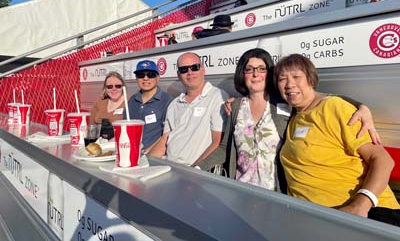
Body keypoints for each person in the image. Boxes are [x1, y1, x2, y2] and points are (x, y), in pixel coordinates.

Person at [198, 49, 380, 191]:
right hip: (242, 189)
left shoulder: (285, 102)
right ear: (242, 74)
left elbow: (316, 97)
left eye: (262, 69)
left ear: (270, 74)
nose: (255, 74)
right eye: (249, 69)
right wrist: (197, 169)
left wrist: (361, 106)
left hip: (276, 192)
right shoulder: (235, 106)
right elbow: (224, 147)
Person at [275, 54, 400, 225]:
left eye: (296, 77)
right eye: (282, 79)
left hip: (365, 217)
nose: (289, 84)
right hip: (321, 220)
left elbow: (383, 160)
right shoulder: (294, 118)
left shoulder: (334, 107)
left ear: (311, 79)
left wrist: (360, 205)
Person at [149, 52, 228, 165]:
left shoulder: (217, 97)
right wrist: (146, 163)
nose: (190, 72)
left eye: (194, 67)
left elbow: (217, 142)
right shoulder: (174, 104)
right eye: (184, 69)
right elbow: (164, 141)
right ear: (178, 74)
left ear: (203, 69)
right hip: (169, 166)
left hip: (195, 172)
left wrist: (195, 169)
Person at [124, 60, 173, 152]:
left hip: (153, 157)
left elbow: (167, 135)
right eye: (140, 75)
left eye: (150, 75)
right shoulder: (131, 101)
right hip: (130, 152)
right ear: (136, 79)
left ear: (158, 78)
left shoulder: (168, 101)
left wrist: (147, 152)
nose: (145, 78)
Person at [90, 71, 126, 139]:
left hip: (120, 143)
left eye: (118, 86)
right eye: (109, 86)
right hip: (99, 144)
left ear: (123, 87)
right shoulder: (100, 102)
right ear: (105, 89)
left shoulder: (129, 103)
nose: (114, 89)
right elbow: (91, 126)